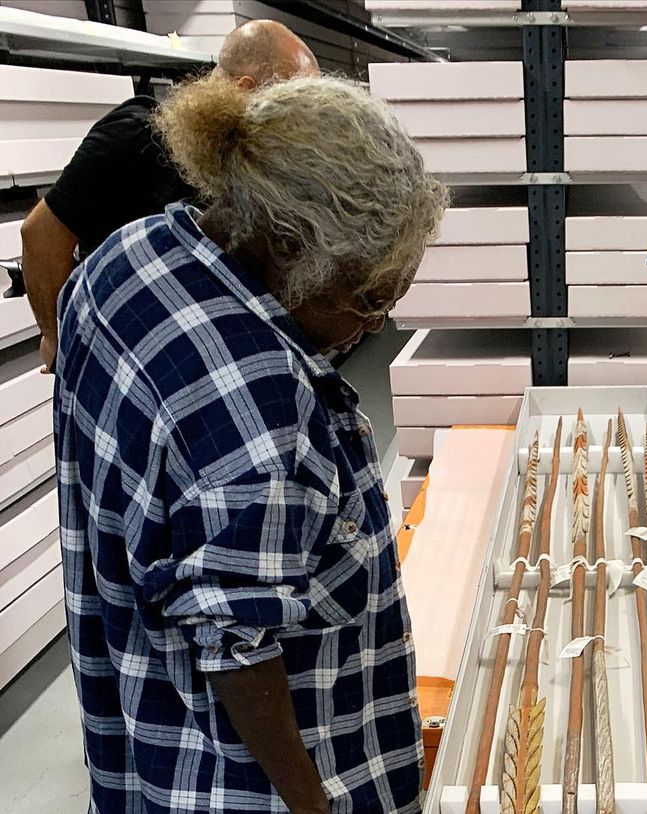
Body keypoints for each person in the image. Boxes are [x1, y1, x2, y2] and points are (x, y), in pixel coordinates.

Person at [54, 74, 447, 813]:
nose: (376, 325)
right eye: (366, 298)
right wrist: (311, 803)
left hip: (148, 728)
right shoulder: (262, 411)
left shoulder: (123, 257)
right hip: (249, 784)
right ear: (287, 242)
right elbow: (240, 652)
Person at [20, 19, 319, 372]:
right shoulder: (137, 136)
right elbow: (40, 235)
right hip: (126, 355)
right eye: (291, 104)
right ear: (245, 90)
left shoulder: (239, 163)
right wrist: (59, 341)